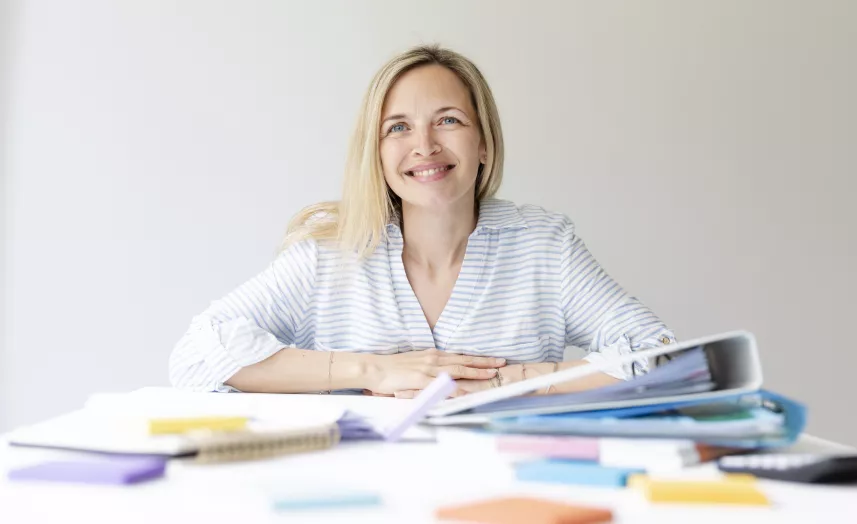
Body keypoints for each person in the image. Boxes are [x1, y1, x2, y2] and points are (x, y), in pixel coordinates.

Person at [169, 45, 675, 398]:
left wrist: (505, 380)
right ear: (377, 152)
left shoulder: (544, 247)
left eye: (448, 119)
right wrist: (376, 370)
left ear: (483, 143)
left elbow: (665, 358)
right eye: (398, 128)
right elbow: (195, 355)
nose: (425, 145)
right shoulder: (327, 258)